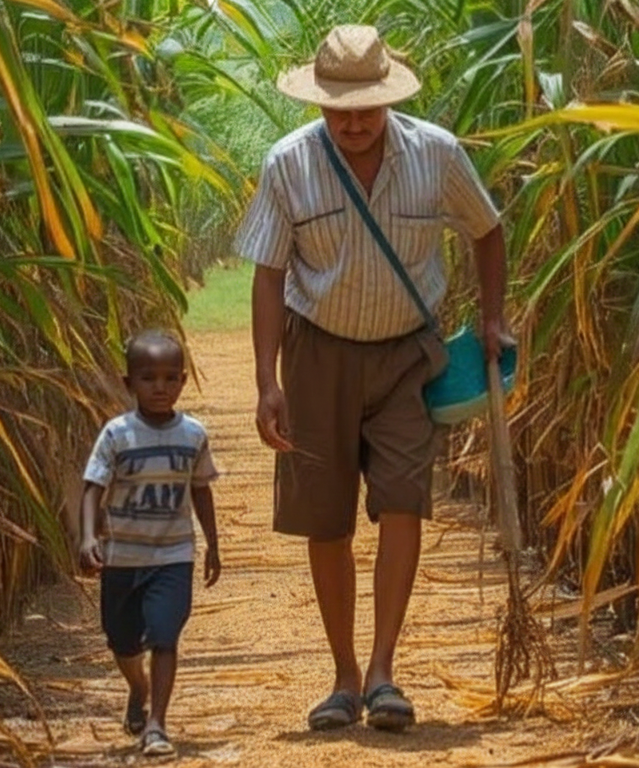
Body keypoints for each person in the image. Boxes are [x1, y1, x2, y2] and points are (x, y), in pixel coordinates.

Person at [234, 24, 509, 733]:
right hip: (317, 351)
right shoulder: (288, 163)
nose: (353, 123)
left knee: (402, 502)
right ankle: (343, 676)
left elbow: (486, 228)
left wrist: (493, 319)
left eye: (367, 107)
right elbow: (267, 273)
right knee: (324, 517)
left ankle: (385, 670)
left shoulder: (436, 155)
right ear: (318, 103)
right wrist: (268, 381)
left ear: (389, 97)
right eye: (339, 109)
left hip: (405, 356)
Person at [78, 329, 221, 757]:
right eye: (148, 378)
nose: (160, 387)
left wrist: (212, 544)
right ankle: (137, 687)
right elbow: (92, 487)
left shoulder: (193, 434)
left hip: (173, 555)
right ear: (129, 384)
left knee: (164, 635)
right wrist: (88, 536)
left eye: (170, 377)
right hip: (123, 557)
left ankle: (157, 723)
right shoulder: (117, 434)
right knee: (121, 640)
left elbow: (200, 489)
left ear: (182, 380)